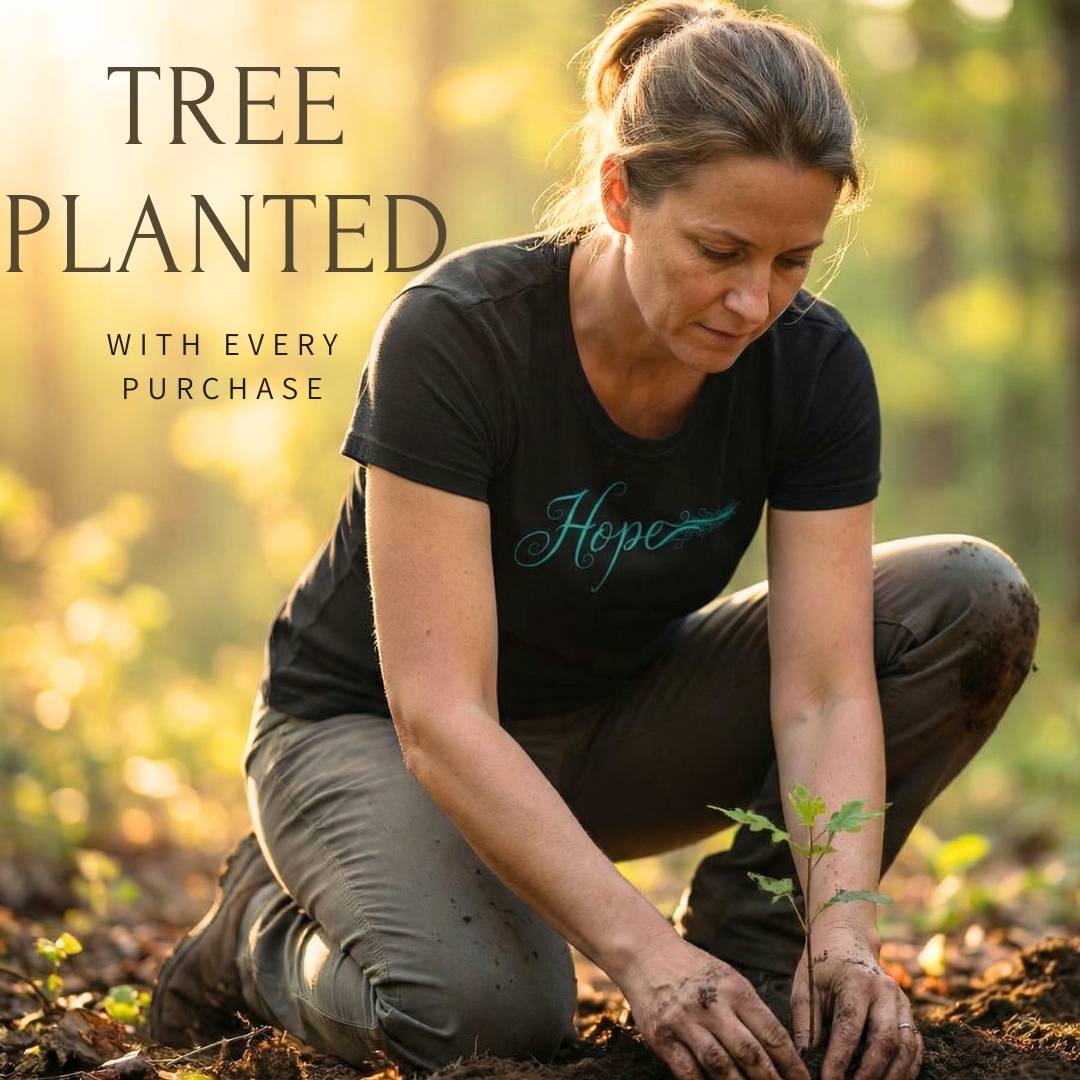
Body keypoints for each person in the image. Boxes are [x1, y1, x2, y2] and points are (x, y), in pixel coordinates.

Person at [149, 3, 1040, 1079]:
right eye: (719, 251)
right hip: (374, 733)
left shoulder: (812, 367)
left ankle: (761, 956)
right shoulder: (458, 335)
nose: (752, 300)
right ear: (620, 194)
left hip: (612, 724)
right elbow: (441, 716)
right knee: (491, 1018)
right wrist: (643, 955)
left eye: (793, 261)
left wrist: (842, 929)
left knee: (967, 596)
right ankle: (257, 938)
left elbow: (825, 690)